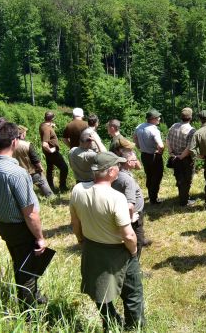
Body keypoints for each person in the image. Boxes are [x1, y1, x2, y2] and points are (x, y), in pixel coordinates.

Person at [69, 151, 144, 330]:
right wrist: (133, 251)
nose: (119, 169)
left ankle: (110, 324)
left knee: (99, 292)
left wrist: (81, 240)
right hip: (118, 251)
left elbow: (75, 221)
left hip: (92, 247)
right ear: (111, 171)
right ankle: (134, 327)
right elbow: (128, 235)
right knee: (132, 292)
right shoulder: (116, 198)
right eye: (117, 166)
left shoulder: (78, 190)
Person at [0, 122, 48, 309]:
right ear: (15, 142)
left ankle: (33, 297)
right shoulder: (17, 173)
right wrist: (40, 238)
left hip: (1, 223)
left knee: (19, 261)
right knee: (28, 270)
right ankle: (29, 313)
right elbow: (30, 213)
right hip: (19, 228)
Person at [112, 149, 149, 256]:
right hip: (134, 215)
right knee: (138, 240)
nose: (136, 161)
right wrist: (131, 217)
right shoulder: (127, 180)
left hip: (126, 212)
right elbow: (130, 205)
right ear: (128, 162)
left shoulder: (118, 173)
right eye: (134, 159)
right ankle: (134, 267)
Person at [133, 109, 164, 204]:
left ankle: (151, 194)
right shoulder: (154, 130)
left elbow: (134, 138)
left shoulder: (139, 127)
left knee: (149, 175)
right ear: (152, 119)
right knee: (157, 176)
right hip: (154, 156)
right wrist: (160, 152)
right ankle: (153, 199)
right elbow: (161, 145)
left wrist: (139, 147)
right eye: (157, 117)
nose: (159, 118)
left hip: (144, 155)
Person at [166, 107, 196, 206]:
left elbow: (168, 140)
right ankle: (184, 201)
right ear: (190, 117)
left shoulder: (173, 126)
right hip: (185, 159)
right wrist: (181, 156)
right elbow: (189, 147)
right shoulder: (191, 130)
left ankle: (182, 197)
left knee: (179, 177)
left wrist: (171, 154)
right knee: (187, 180)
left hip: (174, 157)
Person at [14, 125, 54, 197]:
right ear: (22, 134)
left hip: (16, 172)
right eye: (25, 132)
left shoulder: (9, 145)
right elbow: (35, 159)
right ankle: (50, 196)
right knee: (42, 181)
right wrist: (41, 168)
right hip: (30, 172)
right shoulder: (27, 145)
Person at [39, 110, 68, 192]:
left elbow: (46, 126)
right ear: (52, 119)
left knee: (50, 169)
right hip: (52, 152)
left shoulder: (43, 125)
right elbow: (44, 144)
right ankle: (62, 186)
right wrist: (51, 150)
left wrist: (51, 125)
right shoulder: (47, 129)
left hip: (47, 153)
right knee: (64, 168)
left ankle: (50, 187)